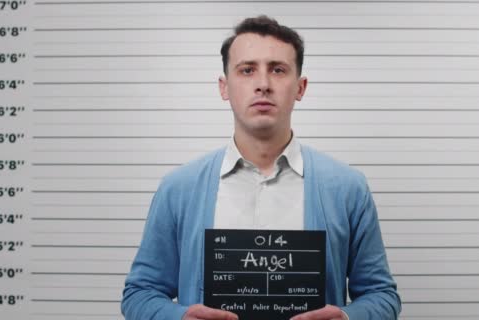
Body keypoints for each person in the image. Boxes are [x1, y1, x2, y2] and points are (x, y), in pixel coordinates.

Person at [121, 15, 401, 320]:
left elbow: (382, 295)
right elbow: (139, 293)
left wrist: (349, 318)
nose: (263, 84)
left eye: (278, 70)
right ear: (224, 87)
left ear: (300, 87)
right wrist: (177, 318)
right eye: (247, 70)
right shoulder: (179, 188)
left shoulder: (348, 188)